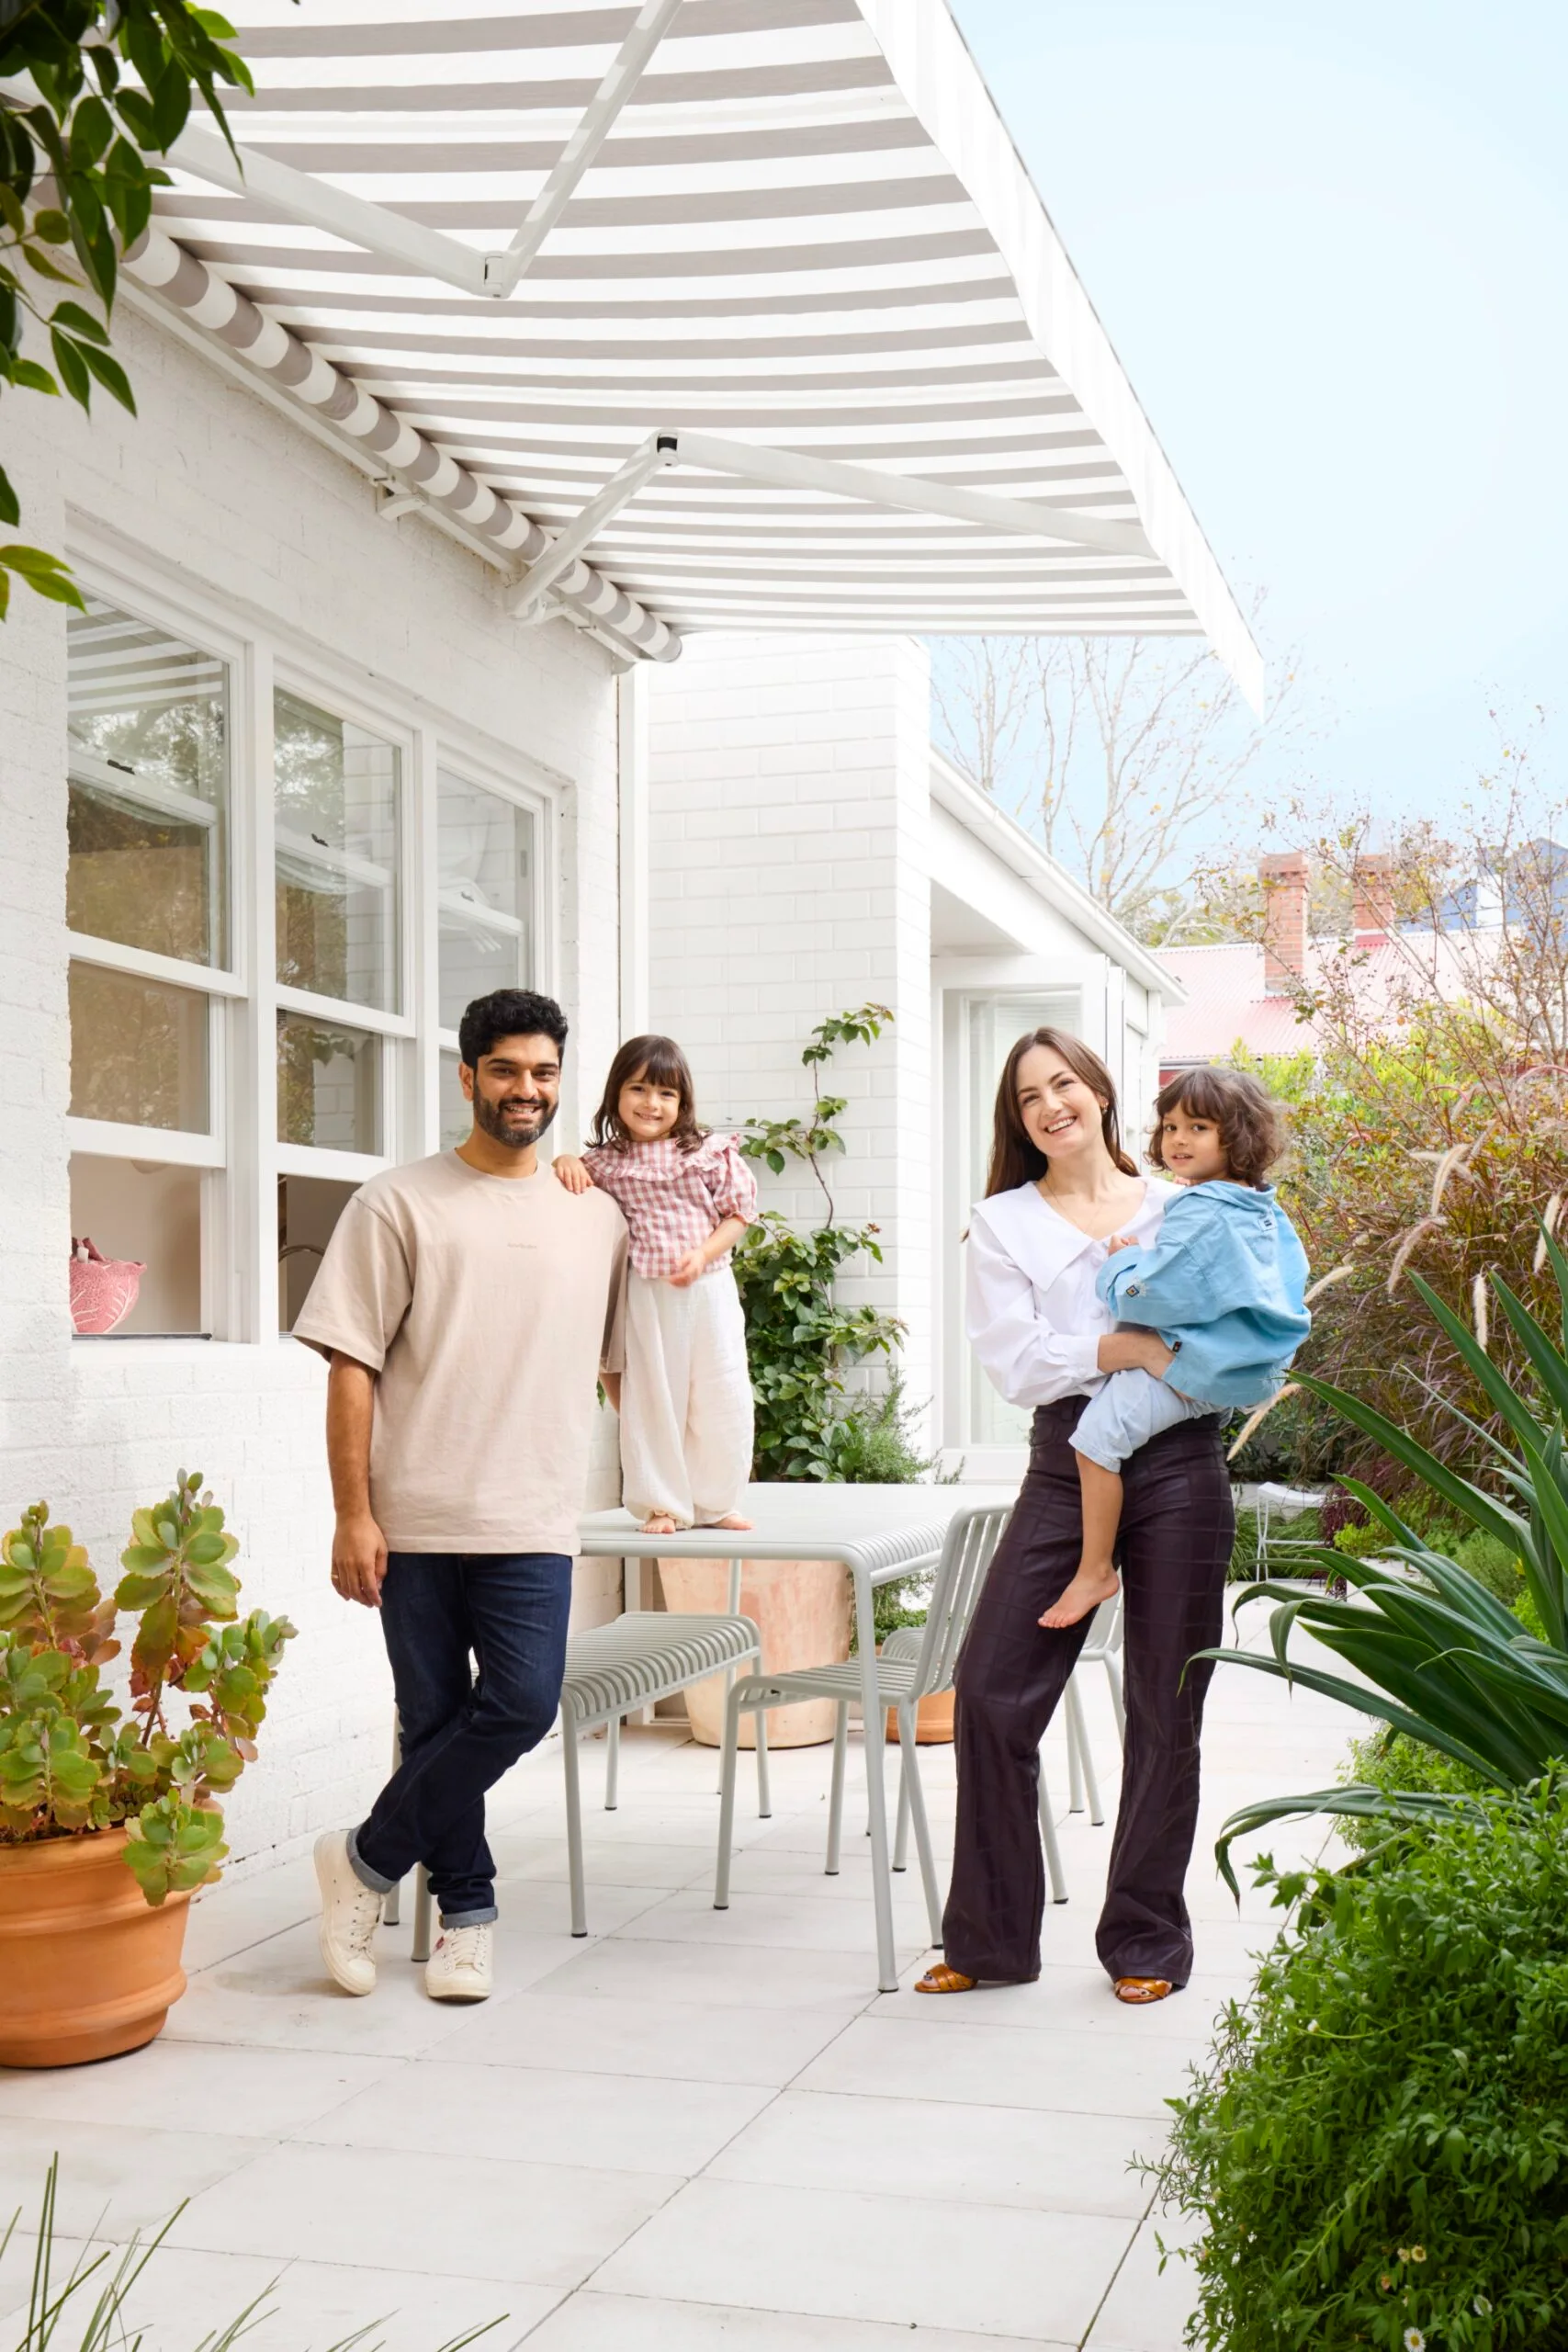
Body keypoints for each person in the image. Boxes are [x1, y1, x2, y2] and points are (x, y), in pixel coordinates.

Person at [295, 988, 628, 2007]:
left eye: (543, 1072)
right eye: (505, 1069)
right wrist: (353, 1512)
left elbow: (625, 1361)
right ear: (467, 1075)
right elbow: (350, 1364)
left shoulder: (596, 1213)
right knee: (435, 1715)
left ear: (560, 1082)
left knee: (520, 1704)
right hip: (416, 1511)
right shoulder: (398, 1202)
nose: (526, 1089)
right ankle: (467, 1919)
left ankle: (359, 1858)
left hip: (531, 1511)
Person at [914, 1027, 1235, 2007]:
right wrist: (1127, 1348)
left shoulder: (1189, 1204)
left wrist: (1115, 1345)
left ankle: (1145, 1938)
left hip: (1181, 1458)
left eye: (1065, 1083)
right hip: (1065, 1461)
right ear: (1019, 1122)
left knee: (1163, 1706)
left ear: (1099, 1091)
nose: (1051, 1104)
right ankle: (993, 1938)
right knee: (991, 1691)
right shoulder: (1002, 1223)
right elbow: (1019, 1364)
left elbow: (1227, 1332)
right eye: (1028, 1097)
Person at [1041, 1067, 1310, 1630]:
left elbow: (1154, 1296)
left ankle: (1094, 1570)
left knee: (1093, 1442)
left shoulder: (1200, 1207)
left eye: (1199, 1127)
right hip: (1240, 1375)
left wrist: (1121, 1263)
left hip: (1186, 1370)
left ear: (1236, 1135)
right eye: (1169, 1127)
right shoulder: (1265, 1211)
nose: (1178, 1140)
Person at [554, 1034, 758, 1535]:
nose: (652, 1104)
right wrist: (562, 1160)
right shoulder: (606, 1163)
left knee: (722, 1391)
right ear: (616, 1095)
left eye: (666, 1094)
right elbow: (570, 1182)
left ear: (683, 1103)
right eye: (639, 1089)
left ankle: (716, 1501)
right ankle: (664, 1503)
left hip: (708, 1288)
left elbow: (739, 1213)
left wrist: (703, 1253)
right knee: (653, 1396)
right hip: (647, 1294)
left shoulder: (708, 1152)